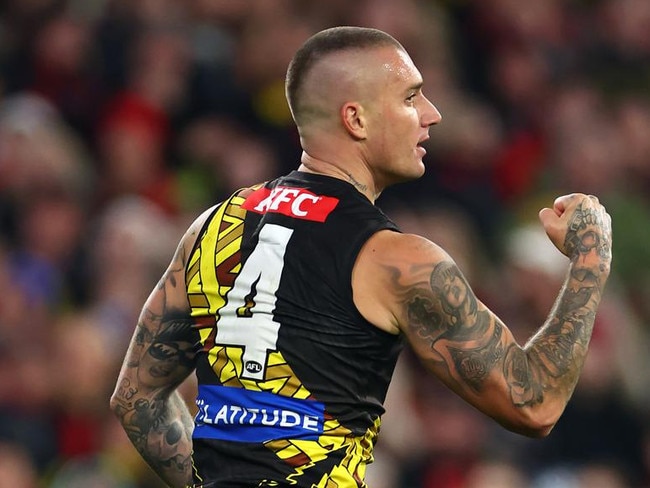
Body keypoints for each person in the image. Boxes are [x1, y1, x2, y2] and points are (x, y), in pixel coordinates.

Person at [109, 26, 613, 488]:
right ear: (356, 118)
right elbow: (535, 404)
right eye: (412, 97)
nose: (432, 113)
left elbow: (138, 400)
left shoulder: (211, 226)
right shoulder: (395, 260)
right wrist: (590, 256)